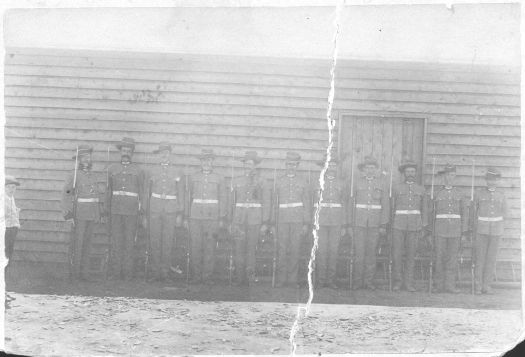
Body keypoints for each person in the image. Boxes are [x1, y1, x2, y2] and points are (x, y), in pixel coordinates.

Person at [61, 145, 104, 281]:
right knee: (77, 245)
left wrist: (99, 213)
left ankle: (84, 273)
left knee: (87, 244)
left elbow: (96, 196)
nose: (87, 159)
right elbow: (66, 194)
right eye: (84, 157)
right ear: (78, 160)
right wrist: (68, 214)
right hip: (79, 215)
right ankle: (75, 273)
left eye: (88, 157)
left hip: (92, 214)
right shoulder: (73, 175)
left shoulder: (92, 175)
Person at [143, 142, 184, 282]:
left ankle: (165, 272)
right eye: (162, 153)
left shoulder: (177, 171)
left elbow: (181, 193)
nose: (164, 155)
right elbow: (146, 192)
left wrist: (180, 213)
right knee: (155, 240)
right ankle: (155, 272)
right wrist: (145, 213)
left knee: (167, 241)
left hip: (171, 210)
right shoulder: (151, 171)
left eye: (166, 153)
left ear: (170, 155)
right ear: (158, 155)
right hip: (154, 209)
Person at [105, 137, 145, 281]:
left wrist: (143, 211)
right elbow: (108, 191)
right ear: (120, 152)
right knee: (116, 241)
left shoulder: (138, 170)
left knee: (129, 242)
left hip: (132, 211)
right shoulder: (111, 169)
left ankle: (127, 274)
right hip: (115, 210)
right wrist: (106, 209)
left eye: (129, 150)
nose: (126, 152)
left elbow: (142, 192)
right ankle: (116, 273)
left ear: (132, 153)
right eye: (124, 150)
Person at [229, 151, 270, 286]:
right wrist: (231, 221)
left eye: (250, 164)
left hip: (254, 220)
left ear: (255, 166)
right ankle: (239, 278)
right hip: (239, 220)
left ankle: (249, 279)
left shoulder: (262, 182)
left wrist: (265, 222)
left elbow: (266, 202)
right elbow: (231, 202)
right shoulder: (237, 180)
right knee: (239, 249)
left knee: (251, 250)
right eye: (246, 164)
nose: (248, 166)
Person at [186, 149, 227, 284]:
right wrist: (187, 216)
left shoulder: (219, 178)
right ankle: (196, 276)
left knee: (210, 247)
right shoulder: (193, 177)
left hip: (212, 217)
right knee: (196, 246)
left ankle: (207, 276)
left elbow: (223, 198)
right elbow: (188, 197)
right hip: (195, 217)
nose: (206, 163)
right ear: (200, 162)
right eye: (204, 160)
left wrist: (221, 217)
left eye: (209, 160)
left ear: (212, 161)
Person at [350, 156, 389, 290]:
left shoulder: (381, 184)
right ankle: (357, 282)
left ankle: (368, 282)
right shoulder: (356, 183)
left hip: (375, 224)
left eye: (372, 168)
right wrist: (351, 223)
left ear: (376, 170)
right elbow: (351, 204)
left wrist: (383, 224)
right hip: (359, 223)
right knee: (359, 253)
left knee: (371, 254)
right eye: (367, 168)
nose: (370, 171)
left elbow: (385, 205)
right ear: (364, 170)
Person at [272, 151, 310, 288]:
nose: (291, 167)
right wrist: (273, 222)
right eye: (289, 164)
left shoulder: (303, 182)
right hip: (282, 219)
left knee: (295, 249)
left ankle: (292, 280)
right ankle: (281, 279)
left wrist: (306, 222)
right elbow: (274, 204)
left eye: (294, 164)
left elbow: (306, 203)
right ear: (285, 165)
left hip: (297, 220)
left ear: (297, 165)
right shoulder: (279, 181)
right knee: (282, 249)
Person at [391, 159, 428, 292]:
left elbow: (425, 209)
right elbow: (392, 208)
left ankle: (409, 283)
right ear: (404, 173)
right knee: (397, 255)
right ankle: (397, 282)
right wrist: (391, 224)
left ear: (416, 173)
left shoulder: (421, 189)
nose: (410, 173)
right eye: (408, 171)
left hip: (414, 226)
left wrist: (423, 225)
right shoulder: (396, 188)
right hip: (398, 225)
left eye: (412, 171)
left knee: (411, 255)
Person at [431, 164, 469, 293]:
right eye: (447, 175)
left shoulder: (460, 193)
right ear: (444, 177)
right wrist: (431, 231)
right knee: (439, 257)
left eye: (452, 175)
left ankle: (450, 286)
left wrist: (463, 232)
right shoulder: (436, 192)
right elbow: (431, 214)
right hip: (440, 230)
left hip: (455, 230)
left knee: (452, 258)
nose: (450, 177)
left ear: (455, 177)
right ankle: (438, 285)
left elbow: (465, 213)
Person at [313, 154, 348, 289]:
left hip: (336, 221)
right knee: (322, 251)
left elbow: (344, 204)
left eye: (334, 165)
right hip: (320, 220)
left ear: (337, 167)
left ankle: (330, 280)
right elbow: (311, 202)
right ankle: (321, 280)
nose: (331, 167)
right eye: (329, 164)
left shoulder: (342, 183)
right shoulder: (317, 182)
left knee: (333, 251)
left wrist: (345, 224)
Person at [472, 167, 507, 294]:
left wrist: (501, 229)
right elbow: (473, 213)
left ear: (497, 181)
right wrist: (474, 229)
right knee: (480, 258)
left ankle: (487, 285)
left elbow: (505, 213)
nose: (492, 182)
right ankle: (478, 285)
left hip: (496, 231)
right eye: (489, 180)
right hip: (481, 230)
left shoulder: (502, 195)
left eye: (494, 180)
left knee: (491, 259)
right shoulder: (479, 194)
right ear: (486, 181)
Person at [4, 175, 21, 269]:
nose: (11, 189)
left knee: (9, 252)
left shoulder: (11, 198)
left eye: (13, 187)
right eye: (8, 187)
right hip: (4, 229)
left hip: (12, 229)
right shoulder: (2, 199)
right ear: (4, 188)